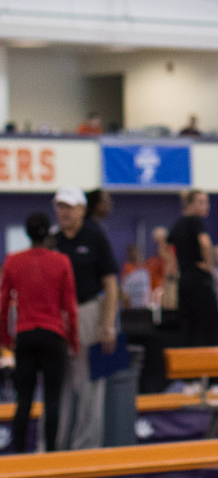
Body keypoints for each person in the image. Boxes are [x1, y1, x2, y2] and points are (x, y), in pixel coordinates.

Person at [0, 212, 78, 454]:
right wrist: (73, 341)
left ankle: (20, 455)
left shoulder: (13, 261)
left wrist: (5, 338)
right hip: (53, 335)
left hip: (25, 336)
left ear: (27, 234)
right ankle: (51, 454)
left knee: (23, 400)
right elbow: (70, 307)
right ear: (49, 234)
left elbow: (2, 305)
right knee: (52, 400)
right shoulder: (61, 261)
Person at [52, 186, 119, 450]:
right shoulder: (53, 240)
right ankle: (56, 447)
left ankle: (86, 448)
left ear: (81, 209)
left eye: (69, 207)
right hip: (57, 316)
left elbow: (111, 284)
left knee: (91, 383)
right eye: (60, 206)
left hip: (89, 311)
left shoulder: (95, 237)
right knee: (60, 383)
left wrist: (108, 324)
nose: (64, 212)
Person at [167, 189, 218, 346]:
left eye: (207, 202)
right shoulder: (195, 222)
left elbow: (165, 246)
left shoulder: (178, 224)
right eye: (201, 202)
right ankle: (214, 365)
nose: (206, 206)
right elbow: (205, 243)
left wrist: (174, 263)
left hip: (184, 280)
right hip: (199, 279)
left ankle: (192, 366)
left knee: (189, 328)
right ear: (190, 204)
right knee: (210, 326)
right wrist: (209, 265)